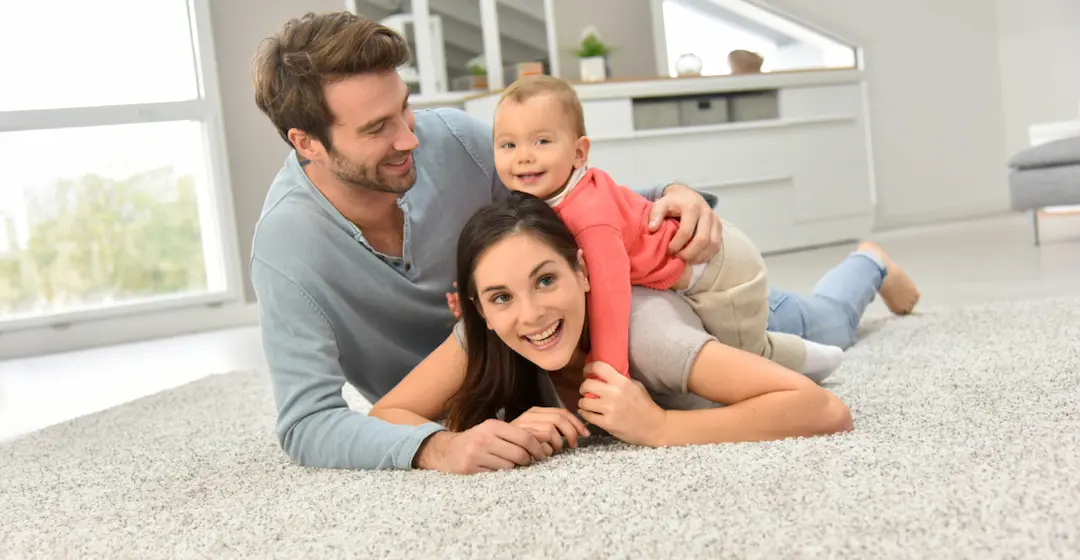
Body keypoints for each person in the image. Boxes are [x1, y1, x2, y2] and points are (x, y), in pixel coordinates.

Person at [248, 11, 724, 472]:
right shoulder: (286, 248)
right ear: (306, 143)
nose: (409, 139)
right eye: (377, 128)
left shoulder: (455, 140)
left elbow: (578, 199)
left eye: (404, 108)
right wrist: (438, 447)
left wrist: (671, 193)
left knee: (698, 330)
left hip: (549, 358)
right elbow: (307, 423)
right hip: (449, 400)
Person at [370, 192, 919, 473]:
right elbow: (384, 416)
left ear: (584, 271)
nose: (530, 314)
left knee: (832, 322)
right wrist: (460, 441)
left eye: (546, 280)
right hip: (685, 313)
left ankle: (871, 261)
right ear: (478, 309)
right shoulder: (489, 334)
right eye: (501, 297)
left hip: (748, 319)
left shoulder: (648, 337)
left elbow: (825, 410)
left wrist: (660, 426)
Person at [487, 75, 847, 386]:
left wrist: (608, 374)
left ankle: (821, 360)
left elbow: (610, 299)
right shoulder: (551, 193)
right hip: (684, 271)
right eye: (508, 145)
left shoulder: (590, 217)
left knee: (748, 357)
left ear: (580, 153)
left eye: (542, 141)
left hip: (720, 271)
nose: (523, 156)